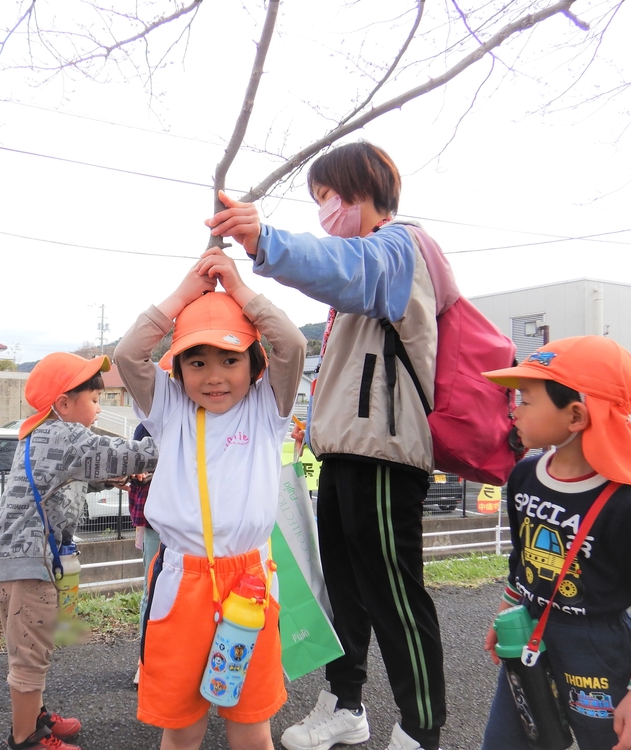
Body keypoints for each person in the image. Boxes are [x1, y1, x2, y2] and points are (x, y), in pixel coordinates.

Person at [207, 140, 448, 750]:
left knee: (393, 594)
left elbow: (343, 267)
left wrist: (267, 242)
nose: (323, 212)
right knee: (343, 590)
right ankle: (347, 704)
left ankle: (422, 730)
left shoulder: (401, 247)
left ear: (361, 191)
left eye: (327, 198)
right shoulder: (367, 268)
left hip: (387, 457)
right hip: (346, 455)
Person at [115, 247, 307, 750]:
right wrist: (183, 295)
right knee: (181, 727)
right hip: (182, 581)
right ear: (177, 370)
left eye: (230, 358)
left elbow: (290, 342)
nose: (214, 376)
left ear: (255, 363)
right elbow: (126, 355)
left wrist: (239, 289)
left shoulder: (268, 408)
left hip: (250, 582)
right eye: (196, 361)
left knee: (251, 725)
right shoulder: (169, 408)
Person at [479, 336, 631, 750]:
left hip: (600, 651)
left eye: (526, 400)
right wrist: (509, 605)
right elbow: (524, 555)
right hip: (530, 633)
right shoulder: (523, 476)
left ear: (576, 416)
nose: (514, 410)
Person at [0, 352, 158, 750]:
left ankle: (36, 719)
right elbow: (126, 453)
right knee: (30, 656)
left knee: (30, 645)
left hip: (11, 559)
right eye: (94, 399)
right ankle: (26, 739)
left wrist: (106, 480)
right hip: (30, 564)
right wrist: (181, 439)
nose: (99, 408)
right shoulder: (66, 435)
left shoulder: (39, 433)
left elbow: (62, 479)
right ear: (64, 404)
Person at [127, 422, 158, 685]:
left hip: (195, 522)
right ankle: (145, 660)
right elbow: (134, 468)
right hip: (156, 522)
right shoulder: (145, 427)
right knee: (153, 589)